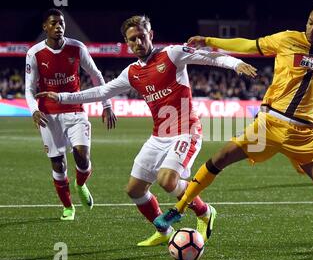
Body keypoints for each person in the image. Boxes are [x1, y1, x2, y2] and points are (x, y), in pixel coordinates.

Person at [153, 4, 313, 255]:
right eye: (311, 22)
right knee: (219, 159)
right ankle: (179, 208)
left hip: (303, 134)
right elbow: (248, 45)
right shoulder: (286, 39)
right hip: (268, 125)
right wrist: (208, 40)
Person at [36, 15, 257, 246]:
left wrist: (235, 63)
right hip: (158, 136)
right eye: (132, 39)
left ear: (150, 35)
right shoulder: (131, 72)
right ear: (127, 42)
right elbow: (102, 92)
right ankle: (165, 233)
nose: (138, 42)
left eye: (142, 37)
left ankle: (204, 212)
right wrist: (61, 97)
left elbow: (207, 56)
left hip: (186, 131)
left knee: (167, 180)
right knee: (134, 189)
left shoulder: (171, 54)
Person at [25, 8, 117, 221]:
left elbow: (96, 75)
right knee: (58, 164)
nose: (59, 27)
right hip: (48, 114)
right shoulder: (34, 53)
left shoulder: (77, 48)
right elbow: (29, 89)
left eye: (62, 23)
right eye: (54, 23)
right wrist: (34, 110)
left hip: (75, 110)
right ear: (45, 27)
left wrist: (107, 105)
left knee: (82, 157)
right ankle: (68, 207)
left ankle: (81, 183)